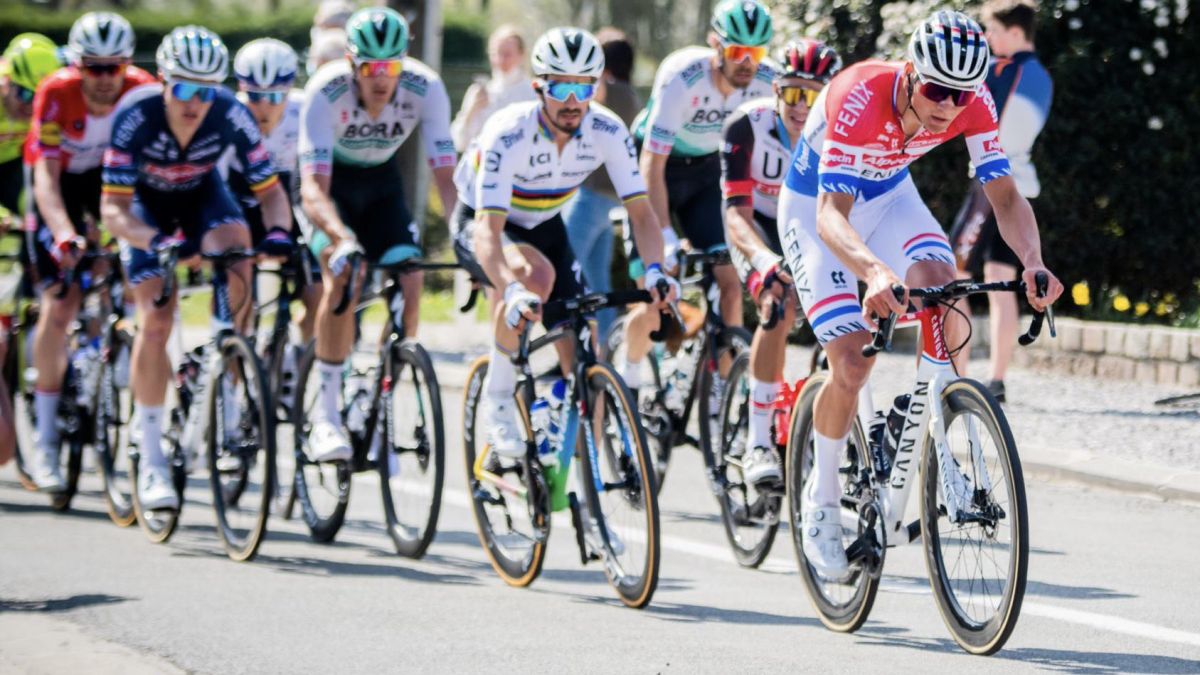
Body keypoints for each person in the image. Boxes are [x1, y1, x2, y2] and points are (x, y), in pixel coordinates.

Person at [776, 11, 1063, 578]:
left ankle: (921, 408)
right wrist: (875, 272)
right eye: (935, 89)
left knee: (945, 287)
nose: (947, 106)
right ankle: (822, 494)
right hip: (818, 212)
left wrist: (1033, 260)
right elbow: (832, 218)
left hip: (889, 195)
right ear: (910, 72)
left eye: (960, 95)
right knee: (854, 361)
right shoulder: (859, 94)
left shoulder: (972, 101)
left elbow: (1005, 197)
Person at [452, 27, 677, 458]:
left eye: (584, 86)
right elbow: (488, 230)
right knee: (532, 276)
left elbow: (643, 214)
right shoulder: (509, 131)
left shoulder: (607, 130)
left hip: (544, 221)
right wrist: (512, 288)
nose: (573, 100)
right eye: (561, 86)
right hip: (486, 222)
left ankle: (580, 475)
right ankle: (498, 399)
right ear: (539, 87)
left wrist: (654, 270)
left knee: (584, 341)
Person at [101, 26, 294, 511]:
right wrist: (157, 241)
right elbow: (113, 211)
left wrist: (278, 233)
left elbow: (270, 193)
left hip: (202, 198)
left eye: (205, 91)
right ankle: (151, 458)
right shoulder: (135, 117)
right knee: (156, 321)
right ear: (164, 82)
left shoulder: (231, 113)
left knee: (240, 252)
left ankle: (220, 353)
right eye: (184, 89)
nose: (194, 103)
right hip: (145, 210)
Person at [298, 7, 458, 463]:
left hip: (383, 185)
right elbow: (313, 186)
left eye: (391, 67)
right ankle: (327, 415)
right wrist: (340, 238)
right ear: (352, 64)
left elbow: (446, 177)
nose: (381, 79)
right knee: (342, 275)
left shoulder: (425, 87)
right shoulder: (325, 90)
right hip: (334, 191)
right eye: (370, 67)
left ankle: (381, 392)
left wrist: (465, 235)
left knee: (410, 280)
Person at [23, 12, 155, 491]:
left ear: (126, 64)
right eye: (93, 67)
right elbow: (46, 178)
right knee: (60, 303)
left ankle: (117, 364)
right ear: (77, 65)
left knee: (134, 273)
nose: (104, 78)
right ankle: (45, 442)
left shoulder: (142, 90)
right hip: (66, 186)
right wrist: (62, 233)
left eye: (113, 67)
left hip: (115, 185)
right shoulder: (56, 93)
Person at [628, 0, 777, 416]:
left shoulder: (769, 80)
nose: (747, 63)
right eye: (736, 52)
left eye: (757, 53)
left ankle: (718, 399)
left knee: (730, 283)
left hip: (707, 171)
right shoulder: (683, 78)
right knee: (656, 286)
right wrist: (666, 239)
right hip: (655, 168)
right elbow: (650, 166)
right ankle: (629, 378)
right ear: (715, 44)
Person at [720, 39, 841, 486]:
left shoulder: (840, 133)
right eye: (792, 92)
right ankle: (757, 442)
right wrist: (765, 260)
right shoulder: (745, 127)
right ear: (776, 91)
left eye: (812, 95)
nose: (800, 105)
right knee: (779, 303)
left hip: (809, 227)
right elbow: (736, 215)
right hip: (758, 228)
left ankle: (812, 422)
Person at [950, 0, 1053, 402]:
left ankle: (955, 371)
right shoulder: (1041, 76)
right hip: (1021, 186)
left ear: (1014, 32)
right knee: (1001, 279)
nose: (988, 40)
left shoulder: (1005, 70)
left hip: (992, 185)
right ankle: (996, 378)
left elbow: (988, 130)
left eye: (992, 31)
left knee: (954, 274)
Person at [225, 38, 321, 342]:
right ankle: (237, 359)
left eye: (275, 96)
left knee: (318, 292)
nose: (264, 107)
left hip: (292, 203)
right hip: (242, 202)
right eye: (254, 95)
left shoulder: (306, 110)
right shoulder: (228, 115)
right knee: (241, 296)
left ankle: (295, 356)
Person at [560, 28, 641, 339]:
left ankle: (569, 342)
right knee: (597, 280)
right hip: (613, 198)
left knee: (564, 269)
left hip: (593, 197)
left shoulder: (608, 90)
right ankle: (603, 349)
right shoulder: (631, 95)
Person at [0, 34, 60, 221]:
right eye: (25, 94)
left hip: (14, 169)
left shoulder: (51, 107)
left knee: (39, 204)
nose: (31, 105)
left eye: (40, 96)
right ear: (6, 81)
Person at [450, 25, 536, 152]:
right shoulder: (478, 92)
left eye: (507, 54)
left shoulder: (533, 93)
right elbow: (458, 142)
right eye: (496, 53)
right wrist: (471, 111)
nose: (501, 60)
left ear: (521, 55)